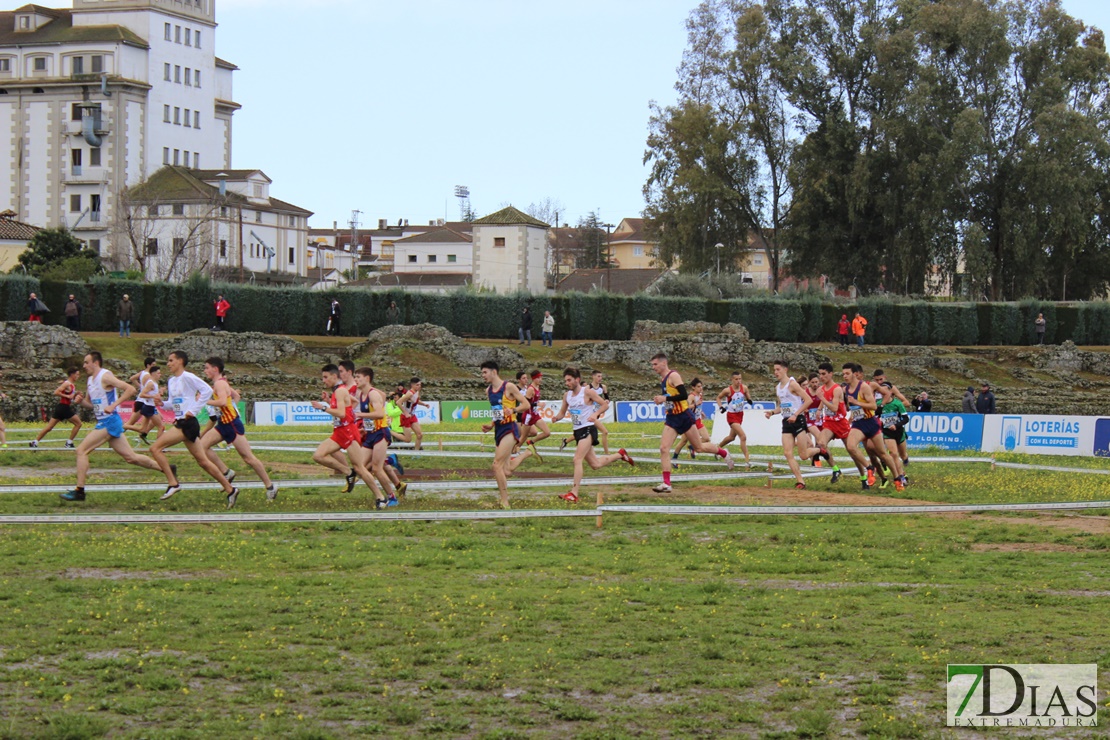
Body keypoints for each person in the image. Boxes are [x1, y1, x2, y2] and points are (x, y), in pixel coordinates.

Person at [61, 352, 164, 501]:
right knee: (131, 458)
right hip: (105, 421)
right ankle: (166, 469)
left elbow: (131, 389)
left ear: (95, 363)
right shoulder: (90, 380)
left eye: (86, 362)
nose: (83, 366)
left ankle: (79, 491)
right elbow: (91, 405)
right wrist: (81, 402)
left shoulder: (105, 376)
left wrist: (114, 405)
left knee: (81, 450)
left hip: (109, 421)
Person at [149, 351, 239, 505]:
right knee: (203, 462)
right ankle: (231, 489)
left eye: (171, 360)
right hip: (183, 422)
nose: (168, 364)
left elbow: (207, 391)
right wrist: (161, 404)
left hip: (187, 423)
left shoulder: (188, 377)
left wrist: (193, 410)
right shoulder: (171, 381)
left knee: (155, 449)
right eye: (168, 361)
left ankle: (173, 483)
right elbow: (173, 403)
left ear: (180, 361)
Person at [198, 357, 277, 507]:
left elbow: (221, 402)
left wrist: (204, 401)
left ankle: (270, 487)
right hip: (223, 424)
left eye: (207, 367)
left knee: (248, 458)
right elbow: (236, 397)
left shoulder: (220, 383)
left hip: (232, 425)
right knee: (202, 447)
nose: (205, 371)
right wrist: (229, 407)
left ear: (215, 369)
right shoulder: (222, 383)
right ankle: (226, 472)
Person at [650, 353, 733, 493]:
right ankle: (666, 483)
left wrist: (665, 399)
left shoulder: (673, 376)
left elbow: (683, 395)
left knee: (699, 447)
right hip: (672, 418)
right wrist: (661, 400)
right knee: (664, 448)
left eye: (655, 364)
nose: (653, 367)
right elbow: (671, 397)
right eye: (652, 365)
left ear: (664, 363)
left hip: (684, 416)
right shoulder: (662, 379)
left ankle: (723, 452)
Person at [552, 367, 634, 503]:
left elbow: (604, 405)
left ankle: (574, 493)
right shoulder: (567, 396)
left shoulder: (587, 392)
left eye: (569, 380)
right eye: (565, 380)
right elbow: (562, 412)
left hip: (588, 429)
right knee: (595, 464)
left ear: (577, 380)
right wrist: (556, 418)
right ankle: (620, 454)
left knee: (577, 459)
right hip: (577, 431)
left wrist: (595, 414)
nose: (567, 383)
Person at [480, 360, 534, 509]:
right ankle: (527, 453)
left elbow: (526, 405)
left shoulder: (508, 387)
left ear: (494, 372)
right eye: (482, 373)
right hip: (498, 429)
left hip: (510, 428)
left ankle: (504, 501)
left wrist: (514, 410)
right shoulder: (488, 391)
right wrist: (491, 425)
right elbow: (497, 412)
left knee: (496, 465)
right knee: (506, 470)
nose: (482, 375)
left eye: (485, 372)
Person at [843, 362, 904, 490]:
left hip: (871, 422)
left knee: (882, 454)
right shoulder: (846, 389)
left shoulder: (865, 387)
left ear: (855, 374)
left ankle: (898, 478)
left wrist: (857, 402)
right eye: (843, 374)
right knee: (851, 446)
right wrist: (852, 413)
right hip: (859, 423)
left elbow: (873, 406)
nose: (844, 376)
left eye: (847, 373)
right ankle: (869, 468)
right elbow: (851, 406)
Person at [764, 360, 818, 490]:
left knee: (803, 455)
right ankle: (800, 481)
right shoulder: (778, 388)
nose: (775, 372)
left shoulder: (792, 384)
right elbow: (782, 407)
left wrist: (795, 414)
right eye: (774, 370)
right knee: (788, 453)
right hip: (786, 421)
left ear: (785, 370)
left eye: (778, 369)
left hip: (798, 420)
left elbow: (808, 400)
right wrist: (772, 412)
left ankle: (820, 450)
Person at [310, 364, 361, 492]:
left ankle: (382, 496)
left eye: (325, 377)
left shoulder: (340, 390)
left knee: (363, 467)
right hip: (339, 432)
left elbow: (341, 413)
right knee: (318, 456)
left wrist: (323, 407)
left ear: (334, 376)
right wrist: (328, 401)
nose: (323, 380)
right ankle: (349, 473)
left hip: (347, 431)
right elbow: (353, 402)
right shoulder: (337, 391)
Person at [351, 366, 397, 509]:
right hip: (371, 433)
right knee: (359, 467)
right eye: (355, 377)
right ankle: (389, 460)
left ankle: (391, 497)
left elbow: (379, 414)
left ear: (367, 378)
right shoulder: (362, 395)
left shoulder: (373, 394)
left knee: (377, 469)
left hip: (381, 433)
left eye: (358, 377)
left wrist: (359, 415)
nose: (356, 380)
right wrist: (364, 428)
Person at [31, 366, 83, 449]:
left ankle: (35, 442)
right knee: (78, 424)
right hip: (64, 408)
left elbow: (70, 395)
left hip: (61, 407)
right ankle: (69, 443)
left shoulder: (71, 385)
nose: (78, 376)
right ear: (72, 374)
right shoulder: (67, 384)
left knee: (49, 427)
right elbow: (56, 392)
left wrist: (75, 394)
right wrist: (67, 396)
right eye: (77, 374)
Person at [715, 371, 752, 469]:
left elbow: (747, 393)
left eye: (740, 379)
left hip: (740, 415)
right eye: (736, 379)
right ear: (732, 380)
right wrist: (721, 407)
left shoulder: (744, 388)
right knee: (743, 436)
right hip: (732, 416)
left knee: (731, 437)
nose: (738, 381)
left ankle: (717, 449)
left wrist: (749, 399)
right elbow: (718, 398)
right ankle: (747, 461)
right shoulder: (728, 390)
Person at [672, 377, 711, 461]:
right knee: (683, 441)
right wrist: (695, 404)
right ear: (693, 387)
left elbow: (698, 407)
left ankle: (692, 446)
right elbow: (685, 407)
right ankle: (674, 459)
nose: (700, 388)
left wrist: (701, 412)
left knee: (707, 438)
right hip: (689, 422)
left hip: (698, 420)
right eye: (698, 386)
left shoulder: (700, 395)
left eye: (701, 386)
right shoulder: (691, 397)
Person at [517, 371, 550, 457]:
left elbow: (534, 400)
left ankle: (531, 442)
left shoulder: (537, 387)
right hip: (528, 415)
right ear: (534, 378)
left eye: (541, 378)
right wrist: (537, 404)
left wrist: (538, 403)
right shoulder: (530, 389)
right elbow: (526, 404)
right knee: (523, 437)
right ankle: (513, 451)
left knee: (547, 433)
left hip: (535, 414)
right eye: (538, 378)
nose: (540, 380)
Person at [397, 377, 426, 450]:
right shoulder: (409, 394)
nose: (419, 386)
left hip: (412, 416)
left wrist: (424, 404)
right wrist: (405, 413)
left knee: (420, 435)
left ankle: (416, 453)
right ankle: (390, 432)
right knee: (408, 439)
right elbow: (398, 402)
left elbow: (416, 401)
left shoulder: (417, 392)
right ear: (412, 385)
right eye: (417, 385)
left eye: (420, 385)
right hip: (405, 417)